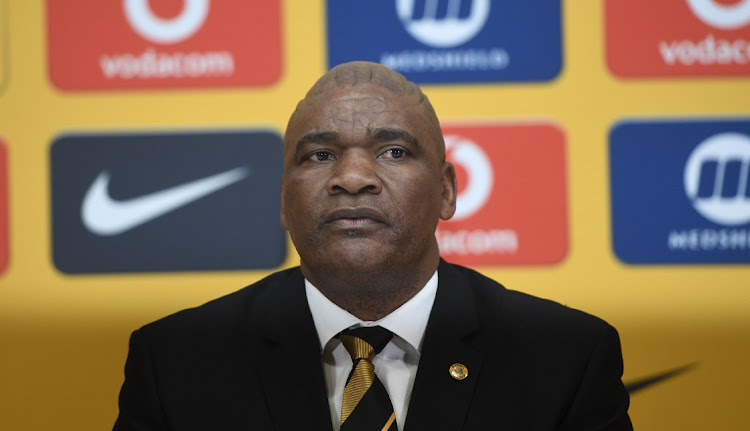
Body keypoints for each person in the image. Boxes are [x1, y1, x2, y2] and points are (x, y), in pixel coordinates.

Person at [113, 61, 632, 430]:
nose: (353, 178)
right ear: (282, 202)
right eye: (319, 156)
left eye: (393, 151)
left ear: (447, 191)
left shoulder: (565, 359)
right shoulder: (177, 364)